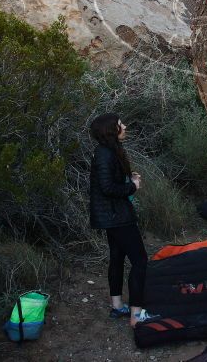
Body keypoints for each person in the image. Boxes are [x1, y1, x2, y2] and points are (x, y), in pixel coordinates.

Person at [89, 113, 154, 328]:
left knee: (117, 257)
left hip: (112, 215)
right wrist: (132, 186)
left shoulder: (108, 152)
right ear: (111, 130)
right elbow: (107, 188)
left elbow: (109, 181)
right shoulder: (104, 154)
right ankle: (136, 316)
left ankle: (117, 306)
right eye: (120, 124)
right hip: (117, 216)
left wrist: (129, 178)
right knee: (140, 261)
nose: (124, 126)